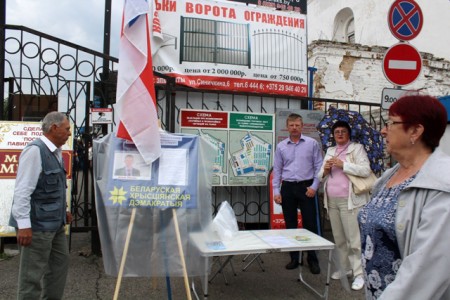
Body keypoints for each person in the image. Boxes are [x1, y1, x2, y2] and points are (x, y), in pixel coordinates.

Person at [358, 94, 450, 299]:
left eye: (391, 122)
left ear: (415, 131)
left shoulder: (441, 186)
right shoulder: (389, 177)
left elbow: (425, 272)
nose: (383, 130)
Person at [9, 111, 73, 299]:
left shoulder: (56, 152)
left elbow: (54, 188)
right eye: (67, 129)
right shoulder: (35, 151)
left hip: (55, 224)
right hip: (36, 227)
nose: (69, 133)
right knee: (31, 277)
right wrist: (24, 226)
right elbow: (22, 191)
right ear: (54, 128)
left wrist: (64, 211)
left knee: (59, 267)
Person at [318, 120, 371, 291]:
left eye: (343, 131)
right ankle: (346, 268)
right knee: (339, 239)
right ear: (333, 135)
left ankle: (359, 274)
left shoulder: (356, 148)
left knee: (353, 239)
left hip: (351, 201)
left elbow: (365, 170)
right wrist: (325, 170)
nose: (339, 134)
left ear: (348, 134)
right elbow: (320, 176)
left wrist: (344, 165)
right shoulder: (330, 151)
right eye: (336, 132)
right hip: (332, 201)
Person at [272, 113, 323, 274]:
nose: (294, 128)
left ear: (302, 126)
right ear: (287, 127)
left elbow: (319, 167)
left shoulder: (312, 144)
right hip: (287, 188)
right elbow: (278, 170)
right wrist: (276, 190)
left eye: (297, 125)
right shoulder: (281, 146)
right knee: (291, 224)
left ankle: (312, 258)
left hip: (306, 187)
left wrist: (314, 186)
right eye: (291, 125)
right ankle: (294, 257)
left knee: (310, 224)